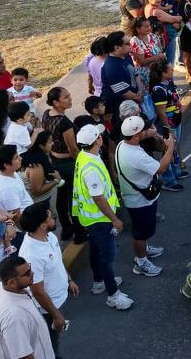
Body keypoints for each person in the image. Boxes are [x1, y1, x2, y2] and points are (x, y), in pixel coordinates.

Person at [70, 124, 133, 310]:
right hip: (100, 219)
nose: (102, 137)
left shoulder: (84, 156)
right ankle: (113, 295)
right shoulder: (91, 169)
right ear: (97, 140)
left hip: (90, 218)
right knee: (107, 257)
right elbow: (98, 198)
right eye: (99, 135)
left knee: (96, 250)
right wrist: (115, 219)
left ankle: (99, 282)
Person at [116, 115, 174, 277]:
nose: (147, 130)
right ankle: (141, 262)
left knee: (142, 230)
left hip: (135, 196)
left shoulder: (123, 144)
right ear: (135, 135)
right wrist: (170, 147)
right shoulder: (136, 155)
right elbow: (161, 168)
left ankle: (145, 250)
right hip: (140, 201)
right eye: (144, 129)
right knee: (141, 233)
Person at [17, 202, 75, 358]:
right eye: (51, 217)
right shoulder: (32, 255)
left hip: (59, 299)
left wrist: (69, 279)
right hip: (49, 309)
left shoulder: (49, 236)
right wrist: (56, 315)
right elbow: (37, 291)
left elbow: (57, 261)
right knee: (49, 343)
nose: (54, 218)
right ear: (42, 225)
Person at [0, 256, 55, 359]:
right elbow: (23, 356)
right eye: (27, 274)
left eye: (30, 268)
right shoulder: (14, 317)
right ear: (11, 282)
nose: (32, 273)